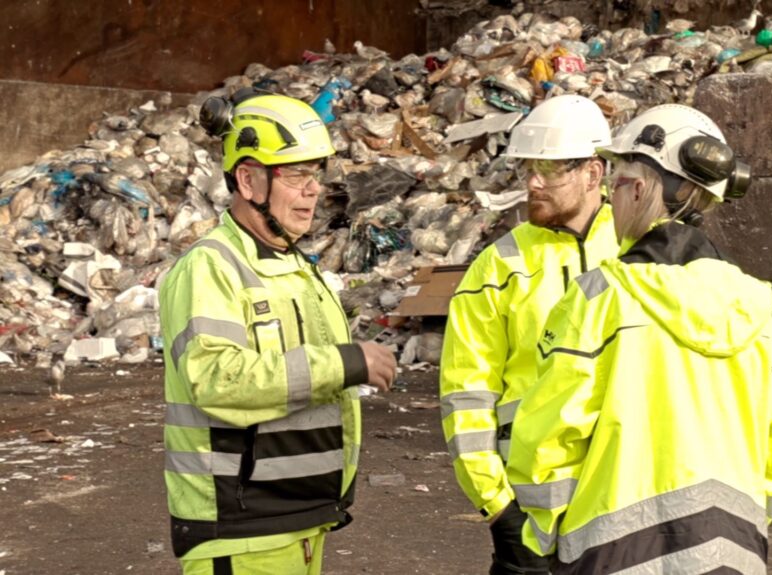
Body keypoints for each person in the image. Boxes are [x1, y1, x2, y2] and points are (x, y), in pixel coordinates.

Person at [506, 104, 772, 574]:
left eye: (616, 184)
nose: (610, 199)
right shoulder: (760, 310)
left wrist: (542, 535)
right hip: (734, 553)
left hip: (612, 556)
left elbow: (549, 436)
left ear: (641, 188)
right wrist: (746, 523)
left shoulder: (598, 300)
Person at [159, 90, 397, 574]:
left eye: (317, 174)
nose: (314, 190)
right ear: (248, 179)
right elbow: (217, 378)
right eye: (297, 175)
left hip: (300, 522)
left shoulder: (293, 266)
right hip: (243, 530)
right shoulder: (212, 267)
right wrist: (348, 362)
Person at [439, 94, 620, 574]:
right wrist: (496, 506)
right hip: (530, 516)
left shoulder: (637, 252)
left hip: (624, 502)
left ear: (594, 173)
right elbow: (466, 395)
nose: (533, 183)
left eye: (550, 169)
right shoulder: (499, 265)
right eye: (528, 169)